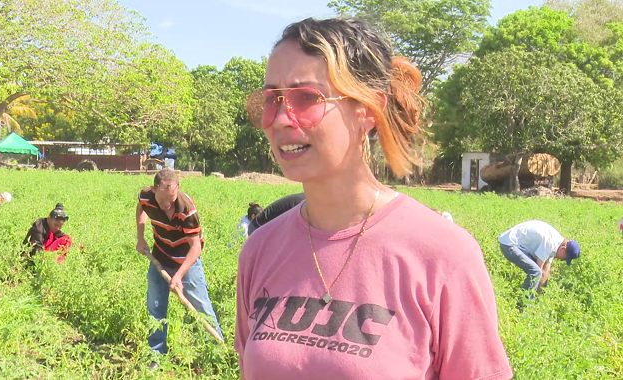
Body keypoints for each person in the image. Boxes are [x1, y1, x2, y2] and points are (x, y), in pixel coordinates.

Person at [235, 18, 512, 380]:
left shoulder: (443, 255)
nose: (283, 119)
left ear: (367, 110)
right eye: (272, 100)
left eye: (307, 98)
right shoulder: (260, 250)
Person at [136, 169, 223, 364]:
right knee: (155, 308)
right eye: (162, 200)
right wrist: (140, 237)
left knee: (201, 307)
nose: (167, 205)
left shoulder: (186, 209)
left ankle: (220, 354)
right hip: (160, 255)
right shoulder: (146, 196)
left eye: (171, 199)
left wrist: (179, 275)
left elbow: (195, 249)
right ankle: (156, 355)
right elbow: (141, 208)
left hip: (187, 262)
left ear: (178, 189)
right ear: (154, 189)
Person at [498, 220, 580, 297]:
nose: (562, 260)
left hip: (516, 246)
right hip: (509, 245)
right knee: (536, 271)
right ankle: (524, 306)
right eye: (565, 258)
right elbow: (539, 269)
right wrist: (535, 294)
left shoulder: (556, 245)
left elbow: (545, 271)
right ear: (563, 248)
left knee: (537, 272)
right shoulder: (551, 243)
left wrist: (540, 296)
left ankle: (531, 300)